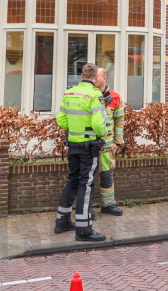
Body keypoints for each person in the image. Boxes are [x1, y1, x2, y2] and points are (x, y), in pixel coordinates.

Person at [54, 63, 107, 242]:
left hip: (73, 144)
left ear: (82, 75)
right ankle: (84, 229)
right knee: (86, 184)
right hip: (88, 146)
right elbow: (99, 124)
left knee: (73, 180)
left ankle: (62, 221)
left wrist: (74, 129)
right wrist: (103, 134)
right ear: (96, 78)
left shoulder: (69, 92)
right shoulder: (95, 94)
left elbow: (61, 120)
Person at [94, 67, 124, 216]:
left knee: (107, 177)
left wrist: (117, 142)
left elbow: (119, 121)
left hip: (107, 147)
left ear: (104, 78)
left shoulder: (116, 97)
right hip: (90, 145)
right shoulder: (90, 95)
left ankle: (108, 205)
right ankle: (86, 209)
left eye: (96, 76)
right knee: (88, 178)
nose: (93, 79)